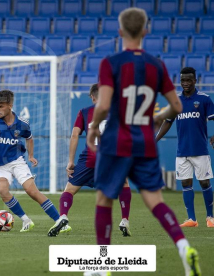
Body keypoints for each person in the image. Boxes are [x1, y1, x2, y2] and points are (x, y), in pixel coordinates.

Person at [85, 8, 200, 276]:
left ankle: (103, 265)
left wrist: (92, 127)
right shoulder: (156, 65)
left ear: (120, 31)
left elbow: (102, 106)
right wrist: (156, 116)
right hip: (145, 141)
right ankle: (184, 249)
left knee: (103, 200)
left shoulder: (110, 63)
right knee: (155, 200)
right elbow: (176, 105)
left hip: (116, 140)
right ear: (146, 31)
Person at [0, 90, 64, 236]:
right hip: (0, 164)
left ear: (10, 105)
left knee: (31, 191)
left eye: (0, 106)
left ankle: (60, 221)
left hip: (18, 161)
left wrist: (31, 156)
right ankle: (26, 220)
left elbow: (29, 138)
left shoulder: (22, 124)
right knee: (2, 190)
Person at [49, 84, 132, 237]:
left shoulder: (84, 112)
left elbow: (75, 135)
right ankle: (124, 220)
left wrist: (71, 162)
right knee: (124, 184)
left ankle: (63, 216)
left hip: (90, 158)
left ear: (92, 97)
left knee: (69, 190)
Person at [156, 67, 214, 228]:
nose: (186, 83)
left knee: (204, 182)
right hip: (182, 151)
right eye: (183, 80)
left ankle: (210, 217)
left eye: (189, 80)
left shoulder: (204, 99)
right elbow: (167, 123)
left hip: (200, 149)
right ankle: (192, 219)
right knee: (186, 183)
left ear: (195, 80)